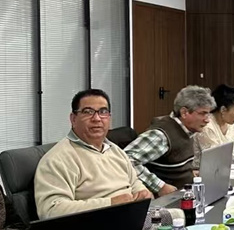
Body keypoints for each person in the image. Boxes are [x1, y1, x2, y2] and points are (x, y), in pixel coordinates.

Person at [35, 89, 151, 218]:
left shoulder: (115, 150)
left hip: (132, 217)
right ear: (73, 119)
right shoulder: (58, 159)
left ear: (109, 118)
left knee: (169, 215)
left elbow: (134, 183)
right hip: (98, 224)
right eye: (88, 112)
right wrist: (110, 203)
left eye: (103, 112)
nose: (96, 118)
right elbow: (51, 211)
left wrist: (143, 192)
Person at [124, 85, 214, 196]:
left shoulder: (188, 130)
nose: (207, 120)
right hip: (166, 201)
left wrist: (190, 173)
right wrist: (159, 186)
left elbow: (174, 166)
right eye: (202, 113)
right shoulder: (161, 135)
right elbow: (126, 161)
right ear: (184, 113)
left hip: (186, 194)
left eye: (208, 114)